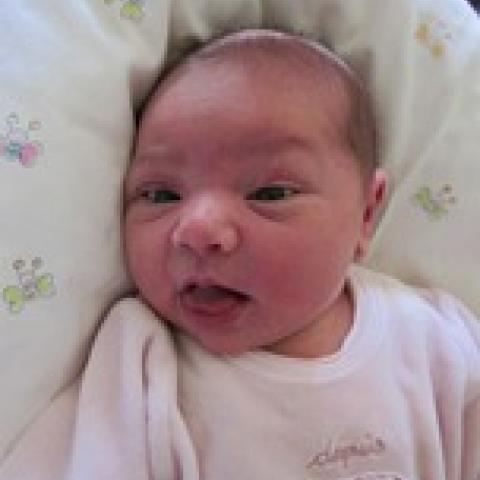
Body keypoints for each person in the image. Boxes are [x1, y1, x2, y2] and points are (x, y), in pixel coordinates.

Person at [1, 29, 479, 480]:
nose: (197, 230)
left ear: (366, 214)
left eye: (271, 193)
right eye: (161, 195)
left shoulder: (438, 342)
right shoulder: (140, 363)